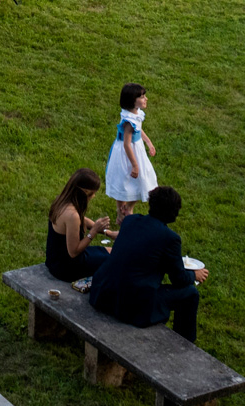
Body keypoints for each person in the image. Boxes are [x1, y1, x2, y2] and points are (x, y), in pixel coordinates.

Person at [89, 186, 207, 343]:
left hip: (103, 294)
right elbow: (179, 279)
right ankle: (185, 345)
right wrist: (194, 274)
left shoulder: (130, 221)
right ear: (173, 211)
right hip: (130, 306)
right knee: (190, 294)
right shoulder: (170, 239)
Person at [45, 169, 113, 282]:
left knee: (111, 251)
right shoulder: (72, 215)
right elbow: (74, 252)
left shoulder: (60, 202)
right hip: (67, 269)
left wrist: (108, 233)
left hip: (55, 260)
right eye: (93, 193)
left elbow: (83, 220)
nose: (94, 196)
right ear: (85, 192)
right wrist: (93, 232)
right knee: (116, 258)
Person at [105, 82, 158, 225]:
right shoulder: (128, 121)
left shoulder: (136, 114)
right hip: (127, 153)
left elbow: (139, 129)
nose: (145, 99)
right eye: (141, 97)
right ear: (132, 101)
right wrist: (135, 165)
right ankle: (120, 211)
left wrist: (148, 142)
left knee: (143, 179)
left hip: (137, 148)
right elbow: (126, 144)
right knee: (123, 179)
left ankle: (128, 207)